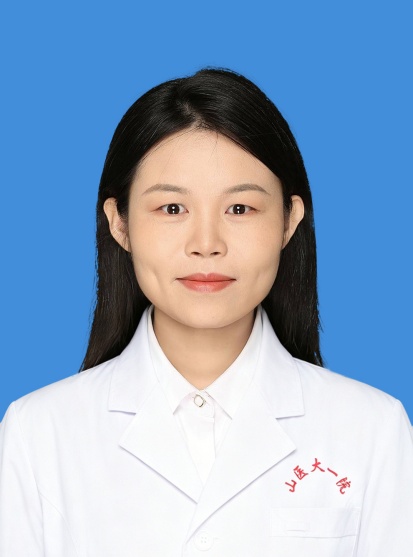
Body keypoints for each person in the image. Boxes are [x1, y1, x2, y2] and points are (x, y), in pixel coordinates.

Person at [0, 68, 412, 557]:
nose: (207, 244)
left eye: (240, 209)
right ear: (120, 224)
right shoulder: (37, 433)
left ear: (289, 221)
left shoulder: (373, 430)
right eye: (172, 209)